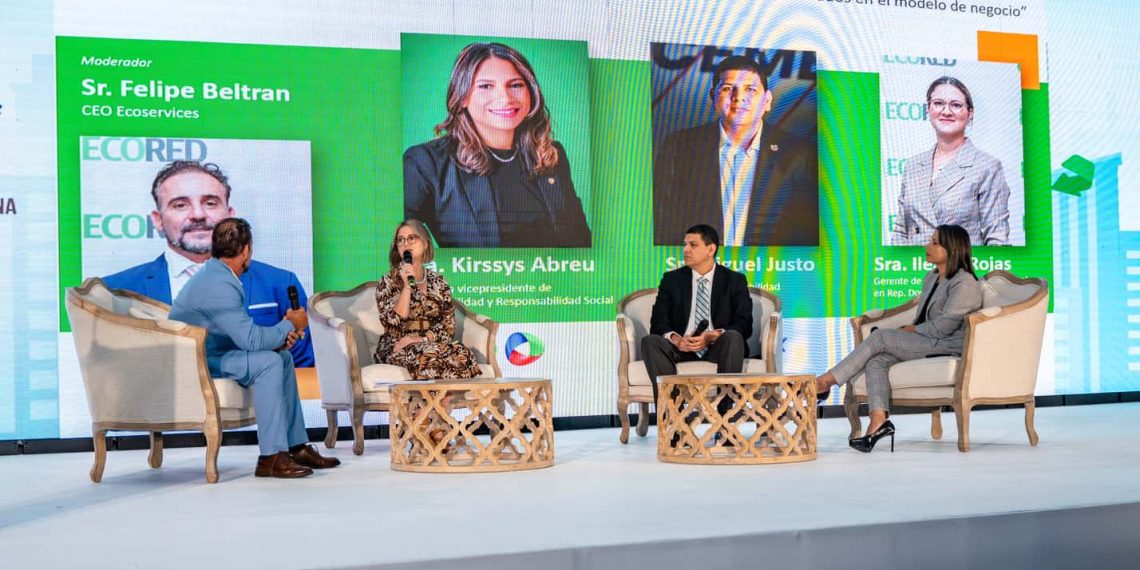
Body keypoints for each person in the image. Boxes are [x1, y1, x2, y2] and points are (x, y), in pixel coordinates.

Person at [169, 218, 340, 478]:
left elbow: (241, 335)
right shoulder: (219, 284)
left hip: (213, 352)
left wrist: (279, 339)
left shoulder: (217, 275)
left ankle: (295, 446)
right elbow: (251, 340)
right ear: (246, 250)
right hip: (198, 361)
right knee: (268, 362)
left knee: (282, 357)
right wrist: (290, 324)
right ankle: (270, 457)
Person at [103, 160, 315, 366]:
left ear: (230, 214)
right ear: (158, 219)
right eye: (180, 205)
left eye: (210, 203)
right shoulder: (115, 291)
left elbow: (305, 367)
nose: (197, 215)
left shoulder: (280, 283)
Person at [404, 42, 591, 248]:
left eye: (515, 85)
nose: (505, 98)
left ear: (531, 92)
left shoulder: (551, 155)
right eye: (485, 86)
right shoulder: (425, 163)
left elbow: (581, 242)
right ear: (462, 96)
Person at [815, 224, 983, 452]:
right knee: (876, 361)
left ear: (952, 249)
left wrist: (911, 330)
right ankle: (878, 421)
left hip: (945, 345)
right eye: (930, 241)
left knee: (881, 337)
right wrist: (911, 330)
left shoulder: (965, 282)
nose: (927, 246)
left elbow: (945, 327)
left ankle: (826, 382)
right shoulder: (932, 277)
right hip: (927, 340)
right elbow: (923, 316)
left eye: (935, 243)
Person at [653, 55, 818, 247]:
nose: (738, 97)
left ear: (767, 101)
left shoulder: (800, 153)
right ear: (713, 97)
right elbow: (661, 221)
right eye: (727, 88)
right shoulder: (679, 147)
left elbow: (806, 233)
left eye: (750, 89)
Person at [642, 224, 752, 416]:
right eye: (685, 244)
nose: (686, 250)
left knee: (733, 336)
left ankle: (726, 418)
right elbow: (658, 323)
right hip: (682, 349)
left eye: (693, 245)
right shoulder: (672, 280)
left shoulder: (734, 280)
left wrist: (713, 335)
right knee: (650, 341)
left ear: (711, 249)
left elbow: (744, 323)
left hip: (717, 348)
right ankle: (673, 421)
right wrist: (677, 339)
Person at [892, 76, 1011, 246]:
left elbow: (997, 239)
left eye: (956, 105)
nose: (946, 111)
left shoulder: (987, 167)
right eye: (938, 103)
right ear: (928, 109)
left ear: (970, 113)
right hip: (914, 263)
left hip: (962, 263)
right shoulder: (913, 166)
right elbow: (901, 230)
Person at [373, 219, 482, 380]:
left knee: (462, 353)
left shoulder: (439, 281)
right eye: (401, 240)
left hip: (430, 342)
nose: (405, 243)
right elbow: (392, 325)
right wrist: (407, 287)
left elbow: (448, 325)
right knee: (430, 355)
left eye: (412, 238)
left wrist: (423, 338)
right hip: (398, 345)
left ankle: (442, 397)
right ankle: (434, 397)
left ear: (425, 243)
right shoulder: (388, 281)